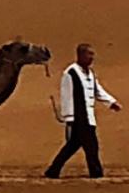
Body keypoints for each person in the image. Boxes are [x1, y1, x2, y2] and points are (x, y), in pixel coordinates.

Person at [45, 43, 122, 179]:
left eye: (92, 54)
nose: (92, 57)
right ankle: (96, 173)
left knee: (72, 146)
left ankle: (52, 171)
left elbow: (97, 90)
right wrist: (68, 117)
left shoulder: (90, 73)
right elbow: (66, 95)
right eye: (89, 54)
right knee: (92, 146)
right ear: (80, 55)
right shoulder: (71, 73)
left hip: (88, 117)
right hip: (78, 118)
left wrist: (111, 102)